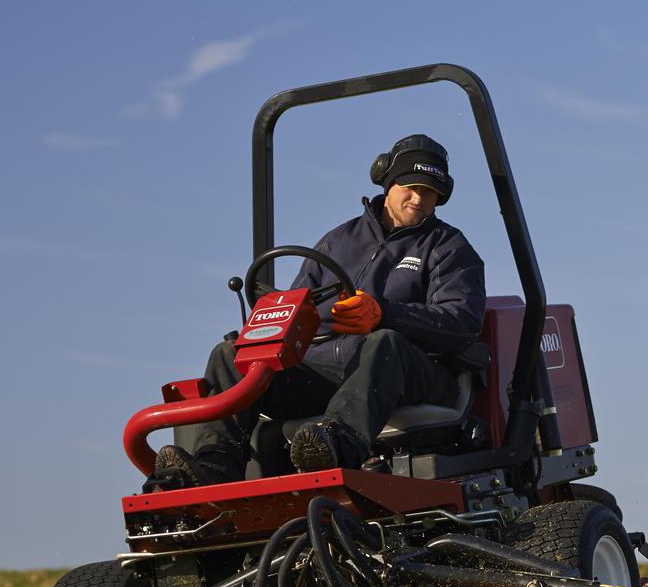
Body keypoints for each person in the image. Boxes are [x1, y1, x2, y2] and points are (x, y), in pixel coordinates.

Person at [145, 133, 487, 490]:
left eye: (429, 192)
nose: (418, 199)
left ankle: (335, 448)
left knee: (384, 342)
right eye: (411, 187)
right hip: (330, 370)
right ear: (388, 181)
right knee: (231, 354)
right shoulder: (338, 241)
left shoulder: (448, 247)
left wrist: (385, 314)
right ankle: (214, 467)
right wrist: (271, 329)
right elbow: (299, 307)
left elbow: (462, 323)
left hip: (409, 373)